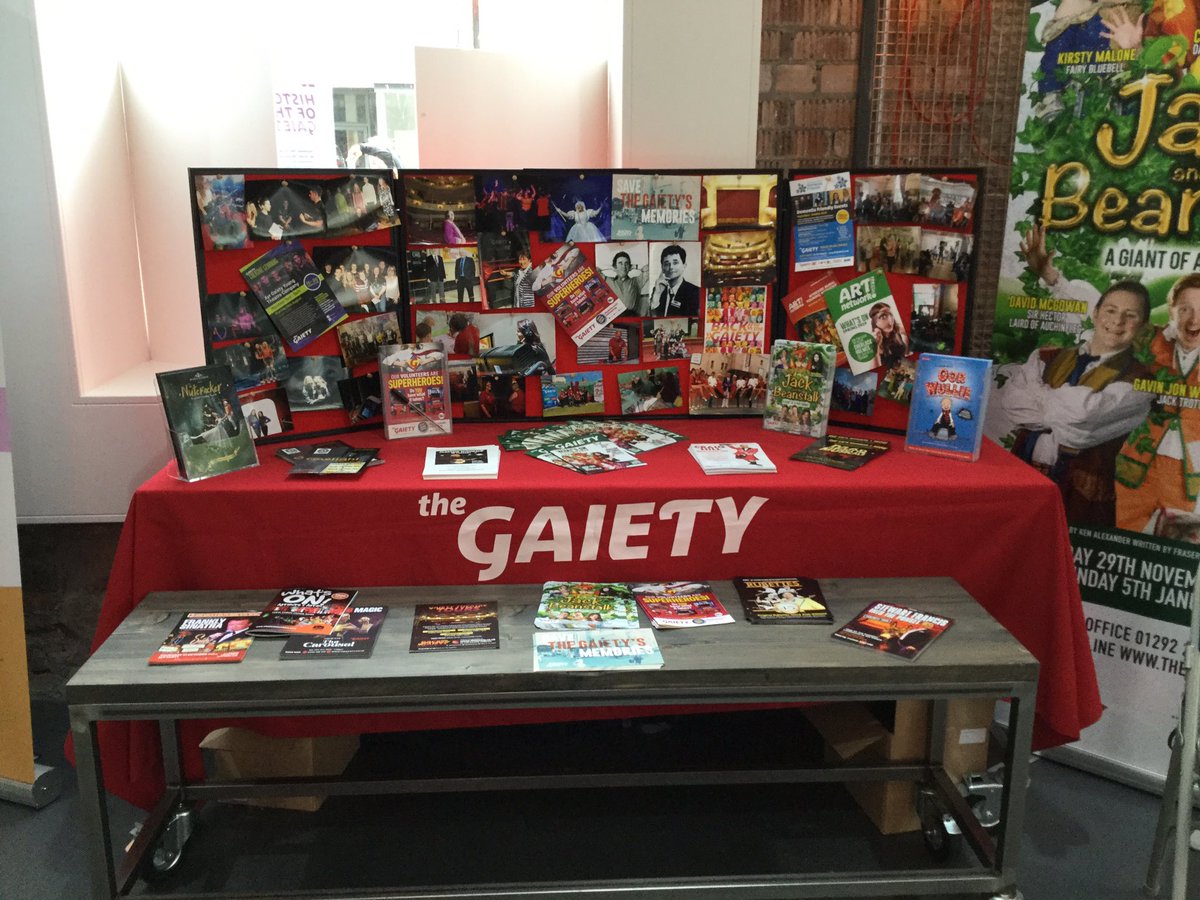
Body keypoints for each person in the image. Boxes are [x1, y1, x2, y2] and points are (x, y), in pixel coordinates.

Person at [986, 223, 1153, 525]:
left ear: (1141, 328)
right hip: (1020, 478)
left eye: (1131, 316)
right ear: (1096, 314)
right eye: (1112, 311)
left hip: (1080, 501)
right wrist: (1060, 405)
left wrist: (1038, 396)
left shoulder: (1140, 381)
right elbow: (1013, 405)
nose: (1117, 322)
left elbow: (1082, 421)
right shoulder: (1047, 356)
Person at [1115, 273, 1200, 536]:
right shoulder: (1151, 340)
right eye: (1185, 308)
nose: (1194, 319)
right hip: (1137, 465)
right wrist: (1053, 279)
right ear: (1172, 310)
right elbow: (1105, 317)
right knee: (1124, 544)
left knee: (1173, 556)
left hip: (1189, 475)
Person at [648, 244, 700, 317]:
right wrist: (657, 294)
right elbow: (651, 318)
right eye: (666, 264)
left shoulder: (695, 292)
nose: (671, 267)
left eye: (675, 263)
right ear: (662, 267)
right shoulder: (658, 290)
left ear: (684, 265)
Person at [604, 251, 648, 316]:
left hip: (632, 316)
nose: (624, 267)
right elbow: (596, 269)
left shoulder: (636, 281)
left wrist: (634, 266)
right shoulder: (608, 281)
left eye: (626, 263)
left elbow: (648, 268)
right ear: (615, 266)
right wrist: (612, 268)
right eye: (620, 263)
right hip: (613, 316)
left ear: (629, 266)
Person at [869, 302, 909, 370]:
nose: (890, 320)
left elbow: (904, 353)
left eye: (891, 315)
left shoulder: (896, 332)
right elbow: (875, 370)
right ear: (875, 322)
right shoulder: (874, 341)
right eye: (883, 316)